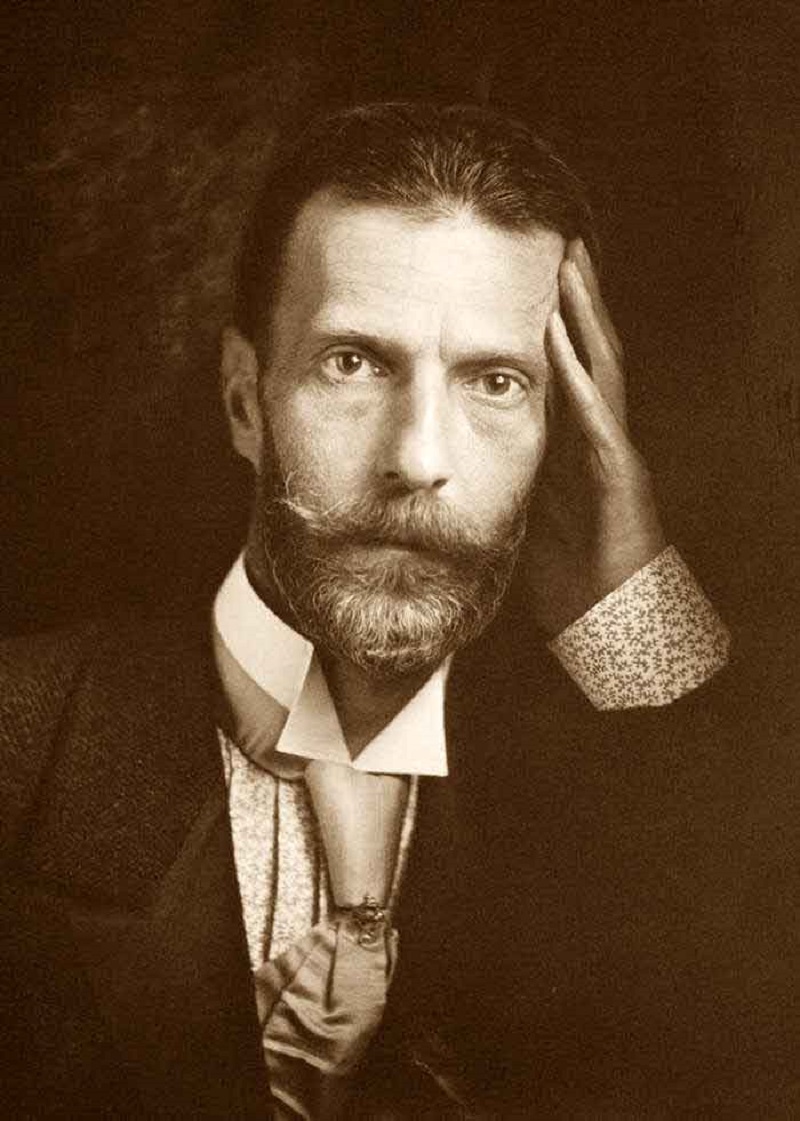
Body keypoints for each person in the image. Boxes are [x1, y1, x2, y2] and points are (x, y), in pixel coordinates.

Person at [1, 102, 741, 1118]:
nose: (418, 459)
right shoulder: (24, 734)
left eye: (495, 382)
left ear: (562, 433)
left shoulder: (610, 786)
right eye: (352, 363)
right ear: (245, 401)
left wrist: (633, 596)